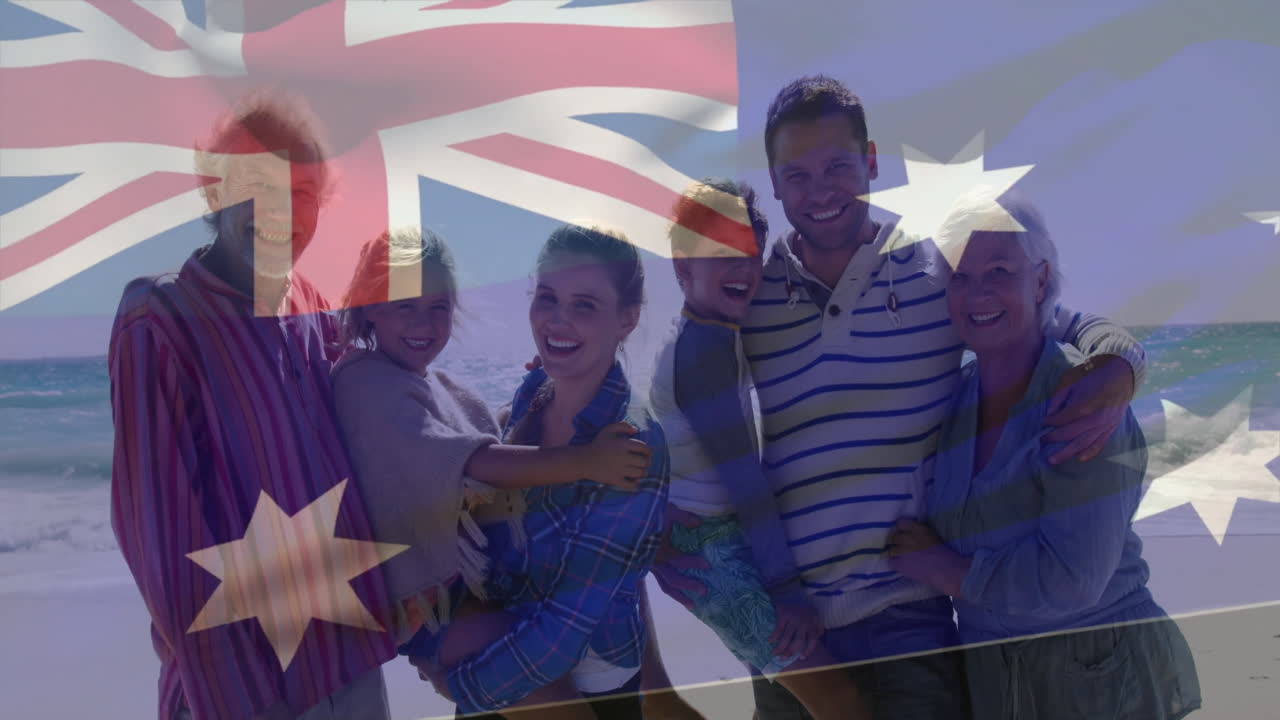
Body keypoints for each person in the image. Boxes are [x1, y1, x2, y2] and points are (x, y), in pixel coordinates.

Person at [653, 74, 1151, 720]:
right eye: (796, 175)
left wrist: (1121, 365)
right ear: (774, 183)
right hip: (789, 622)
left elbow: (1054, 320)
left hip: (909, 616)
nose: (820, 191)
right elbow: (684, 408)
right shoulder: (749, 292)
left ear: (871, 161)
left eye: (838, 166)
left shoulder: (934, 273)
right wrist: (658, 516)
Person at [109, 90, 396, 719]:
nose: (280, 213)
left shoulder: (315, 306)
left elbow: (376, 429)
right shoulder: (160, 317)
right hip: (243, 680)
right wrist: (232, 697)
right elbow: (158, 532)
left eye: (303, 194)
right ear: (214, 193)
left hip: (344, 656)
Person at [886, 189, 1201, 719]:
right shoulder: (958, 397)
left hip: (1097, 675)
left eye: (1000, 271)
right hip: (998, 680)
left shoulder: (1082, 393)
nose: (977, 293)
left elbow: (1073, 581)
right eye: (960, 277)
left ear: (1039, 279)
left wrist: (944, 569)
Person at [329, 226, 654, 717]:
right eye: (405, 305)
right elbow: (475, 461)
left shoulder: (431, 381)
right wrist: (588, 462)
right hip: (436, 607)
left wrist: (545, 385)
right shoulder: (366, 381)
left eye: (439, 307)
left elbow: (492, 437)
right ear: (371, 305)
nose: (425, 322)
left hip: (473, 592)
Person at [418, 223, 670, 719]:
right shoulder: (535, 386)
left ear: (627, 319)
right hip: (509, 634)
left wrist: (463, 686)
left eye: (585, 306)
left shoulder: (635, 445)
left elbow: (566, 628)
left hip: (589, 677)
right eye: (547, 298)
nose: (558, 320)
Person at [647, 178, 870, 720]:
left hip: (710, 541)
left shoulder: (711, 330)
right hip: (713, 556)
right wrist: (788, 589)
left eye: (749, 253)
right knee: (839, 701)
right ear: (682, 265)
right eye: (722, 253)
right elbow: (744, 481)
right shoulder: (703, 351)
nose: (742, 268)